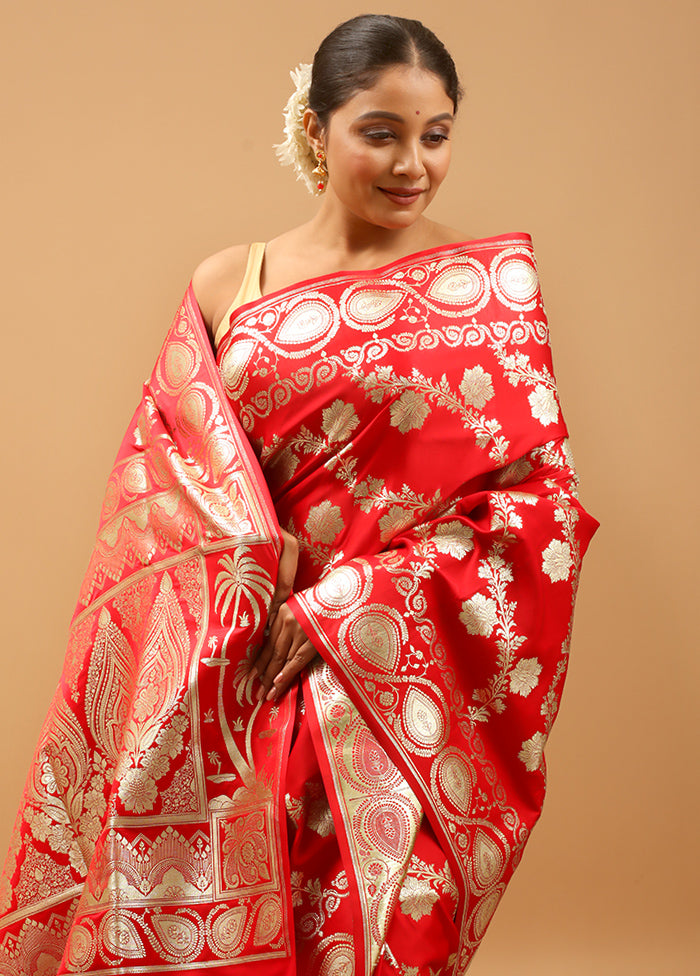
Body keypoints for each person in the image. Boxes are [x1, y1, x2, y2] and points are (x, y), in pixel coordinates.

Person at [0, 14, 598, 976]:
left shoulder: (491, 294)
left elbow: (538, 519)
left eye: (435, 135)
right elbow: (162, 486)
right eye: (381, 132)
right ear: (316, 131)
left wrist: (342, 607)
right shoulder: (232, 282)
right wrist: (245, 579)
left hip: (382, 683)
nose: (414, 165)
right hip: (228, 668)